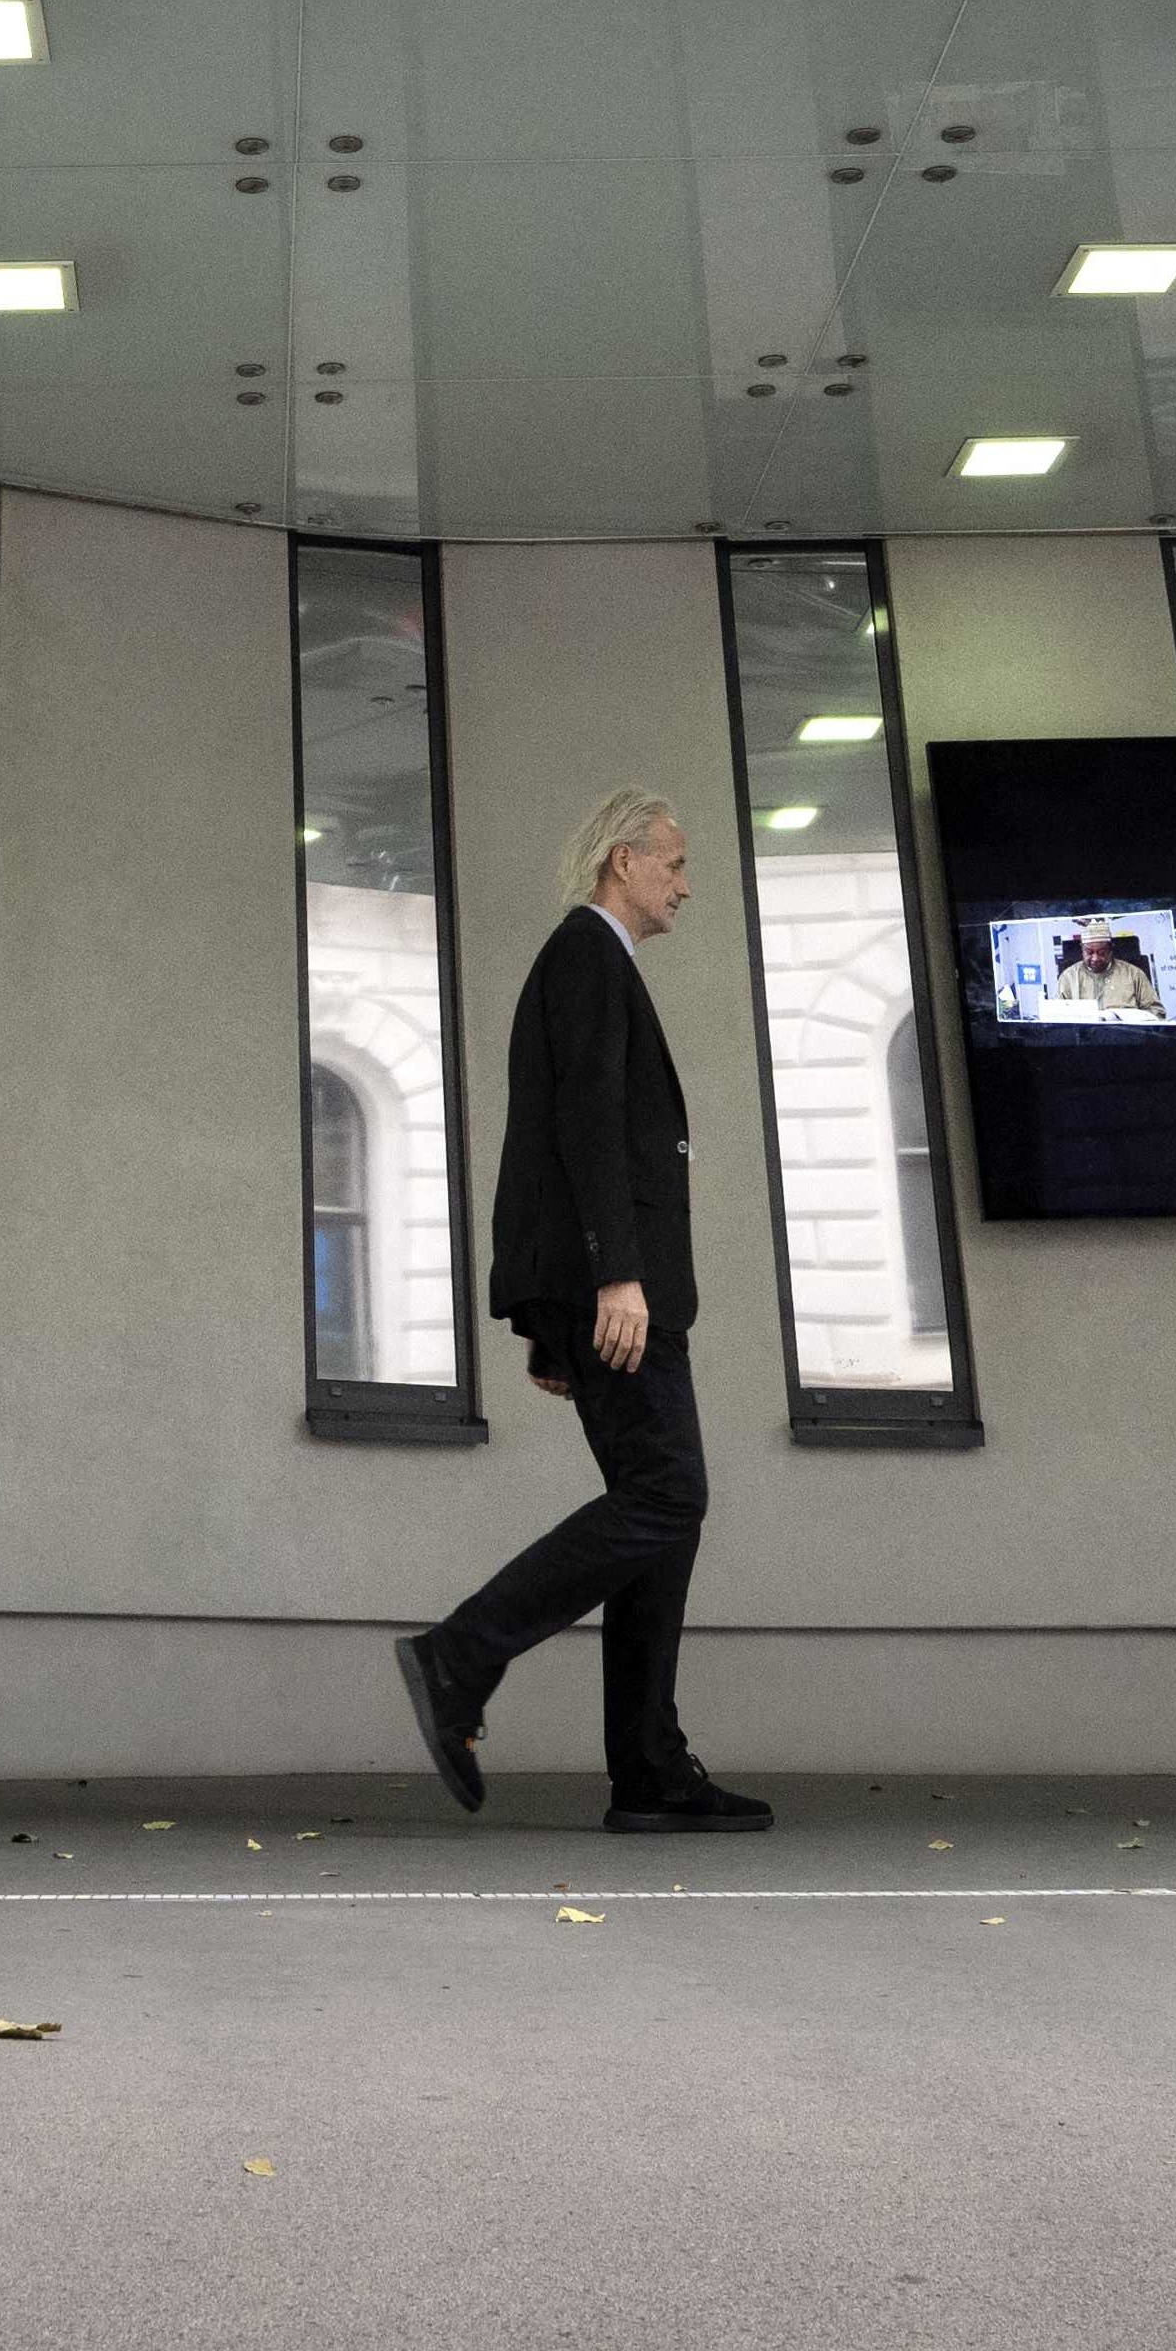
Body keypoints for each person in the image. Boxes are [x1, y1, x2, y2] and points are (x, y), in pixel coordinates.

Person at [394, 786, 771, 1835]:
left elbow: (546, 1147)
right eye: (675, 862)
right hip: (625, 1286)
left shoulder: (590, 961)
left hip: (612, 1288)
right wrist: (609, 1278)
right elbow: (585, 1123)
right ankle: (460, 1654)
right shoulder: (587, 956)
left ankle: (649, 1768)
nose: (686, 885)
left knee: (665, 1516)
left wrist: (550, 1320)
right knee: (666, 1494)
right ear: (622, 859)